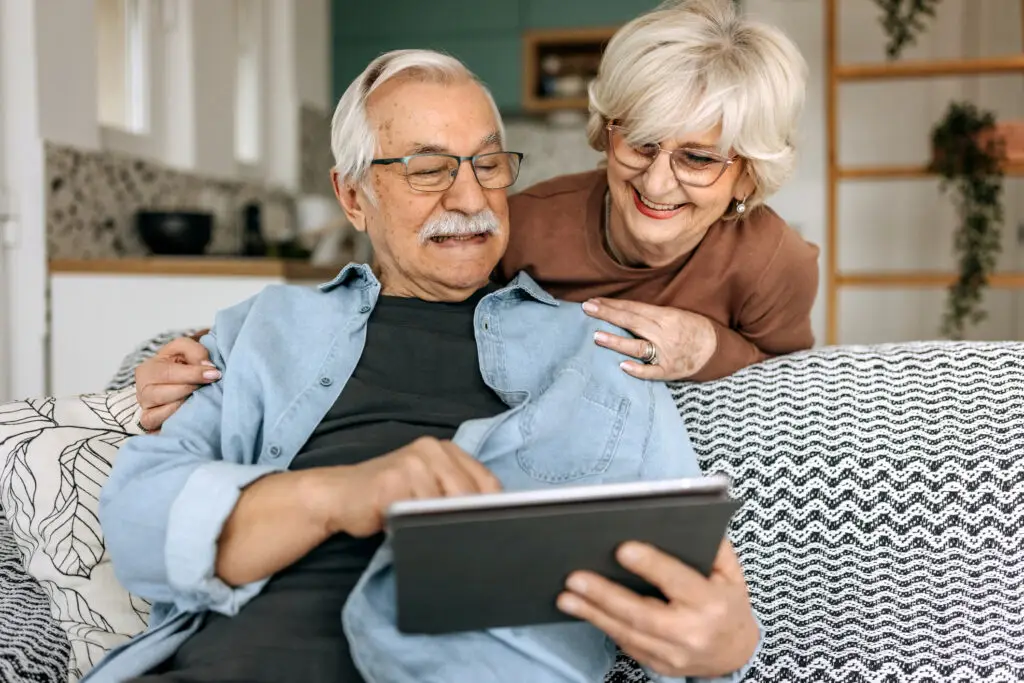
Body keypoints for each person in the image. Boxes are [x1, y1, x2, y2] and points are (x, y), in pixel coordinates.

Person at [85, 50, 760, 683]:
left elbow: (701, 578)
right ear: (353, 196)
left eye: (488, 166)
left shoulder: (602, 353)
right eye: (428, 169)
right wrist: (337, 496)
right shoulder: (263, 328)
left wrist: (729, 645)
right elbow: (140, 523)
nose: (470, 199)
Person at [131, 0, 818, 431]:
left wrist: (709, 348)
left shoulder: (775, 261)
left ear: (746, 173)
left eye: (698, 159)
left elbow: (792, 381)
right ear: (607, 130)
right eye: (640, 143)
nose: (659, 181)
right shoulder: (522, 224)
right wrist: (218, 348)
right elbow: (393, 302)